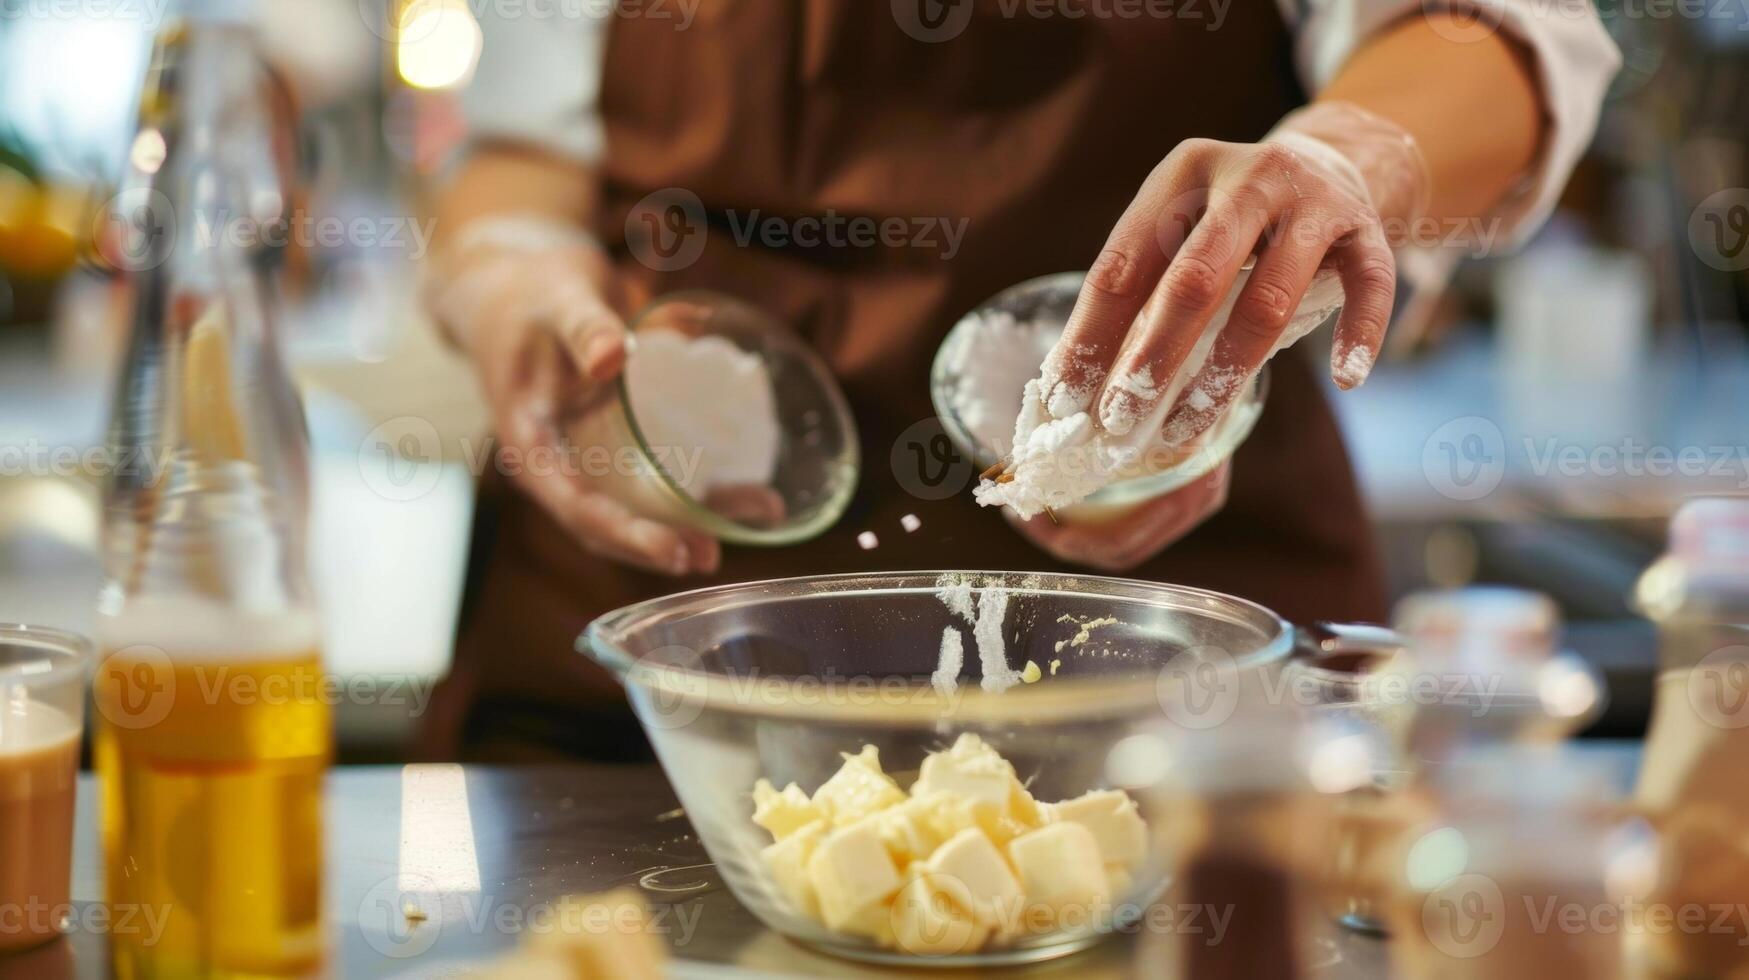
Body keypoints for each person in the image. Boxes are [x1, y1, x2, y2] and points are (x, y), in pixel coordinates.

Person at [419, 2, 1619, 761]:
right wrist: (505, 278)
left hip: (1176, 702)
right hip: (662, 700)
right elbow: (522, 159)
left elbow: (1493, 38)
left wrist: (1341, 162)